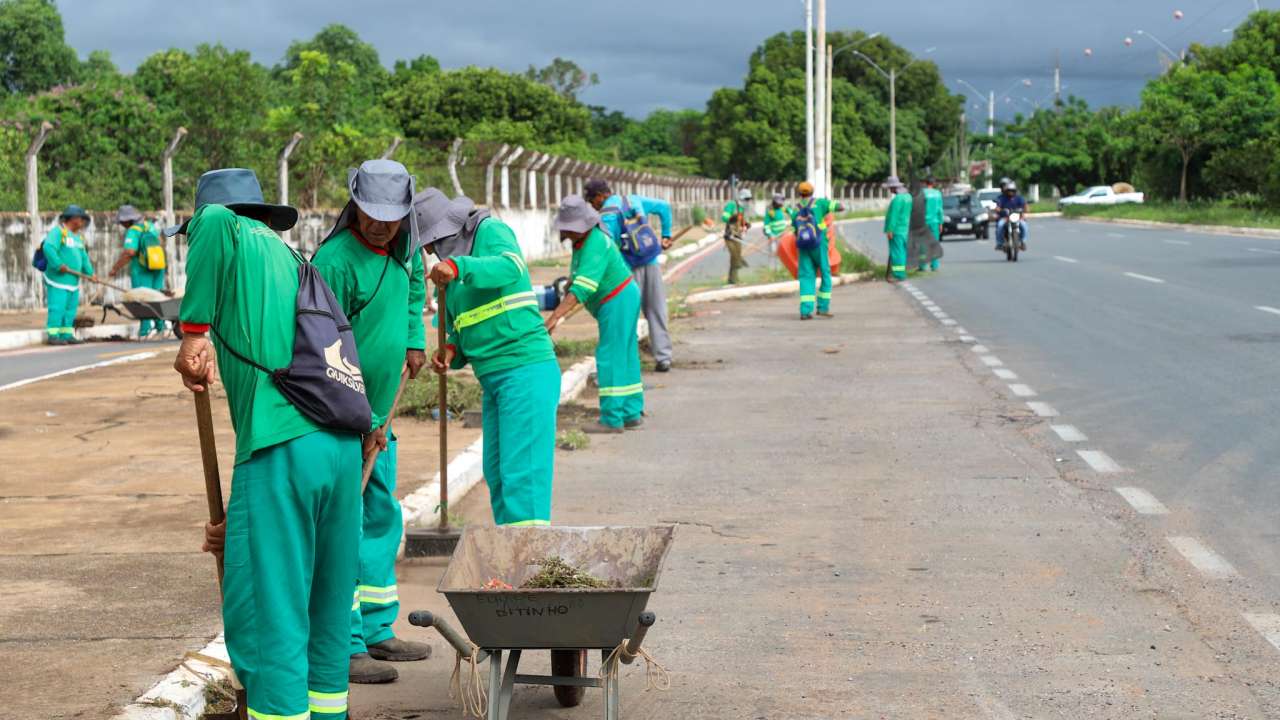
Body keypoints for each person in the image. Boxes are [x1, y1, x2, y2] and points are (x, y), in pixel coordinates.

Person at [174, 168, 361, 720]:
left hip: (283, 448)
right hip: (338, 453)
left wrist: (193, 336)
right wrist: (242, 522)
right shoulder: (292, 259)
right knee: (325, 612)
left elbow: (209, 219)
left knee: (268, 616)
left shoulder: (227, 229)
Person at [311, 159, 431, 685]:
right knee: (344, 531)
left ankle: (380, 629)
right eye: (370, 213)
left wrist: (414, 338)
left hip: (384, 415)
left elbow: (413, 287)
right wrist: (359, 420)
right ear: (352, 204)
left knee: (382, 519)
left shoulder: (405, 247)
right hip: (348, 420)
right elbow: (321, 347)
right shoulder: (334, 261)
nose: (380, 224)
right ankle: (348, 642)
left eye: (391, 215)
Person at [418, 188, 561, 524]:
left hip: (524, 368)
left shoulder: (489, 233)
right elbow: (463, 326)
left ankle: (530, 561)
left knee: (522, 474)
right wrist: (450, 350)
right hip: (493, 377)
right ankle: (511, 551)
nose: (426, 249)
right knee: (497, 472)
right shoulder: (447, 274)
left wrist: (458, 266)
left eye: (428, 241)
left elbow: (510, 268)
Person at [544, 195, 642, 434]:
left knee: (611, 355)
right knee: (625, 353)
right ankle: (630, 411)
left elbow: (583, 288)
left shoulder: (595, 242)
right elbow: (579, 278)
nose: (566, 234)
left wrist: (554, 317)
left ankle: (612, 418)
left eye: (569, 229)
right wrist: (569, 285)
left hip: (617, 300)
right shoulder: (584, 243)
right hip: (621, 298)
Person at [584, 178, 676, 373]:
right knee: (657, 311)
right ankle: (664, 358)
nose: (593, 206)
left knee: (626, 316)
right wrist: (666, 235)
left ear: (600, 196)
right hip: (651, 260)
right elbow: (664, 207)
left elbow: (606, 248)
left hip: (628, 271)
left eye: (592, 201)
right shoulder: (633, 200)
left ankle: (626, 362)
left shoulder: (607, 214)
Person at [108, 205, 168, 337]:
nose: (122, 224)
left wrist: (115, 268)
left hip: (142, 270)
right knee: (157, 297)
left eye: (122, 222)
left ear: (128, 221)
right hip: (158, 267)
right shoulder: (151, 227)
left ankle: (144, 330)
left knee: (143, 299)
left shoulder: (133, 231)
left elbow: (130, 252)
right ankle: (161, 327)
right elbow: (160, 243)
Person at [41, 205, 93, 345]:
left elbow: (84, 258)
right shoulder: (58, 232)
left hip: (73, 282)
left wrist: (91, 274)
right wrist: (58, 264)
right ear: (74, 219)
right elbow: (48, 247)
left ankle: (66, 334)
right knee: (57, 307)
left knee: (70, 309)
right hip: (57, 280)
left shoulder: (78, 238)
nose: (82, 223)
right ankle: (53, 335)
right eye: (81, 219)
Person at [793, 181, 838, 320]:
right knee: (825, 273)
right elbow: (839, 206)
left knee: (806, 276)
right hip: (819, 244)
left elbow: (795, 229)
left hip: (804, 247)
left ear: (799, 194)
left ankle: (805, 311)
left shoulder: (796, 209)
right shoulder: (820, 203)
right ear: (812, 192)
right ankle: (822, 307)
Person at [882, 176, 912, 282]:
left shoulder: (897, 200)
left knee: (896, 252)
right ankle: (901, 272)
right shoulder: (908, 197)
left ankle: (899, 274)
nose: (890, 190)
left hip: (897, 230)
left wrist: (890, 229)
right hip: (905, 229)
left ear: (894, 188)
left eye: (890, 188)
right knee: (902, 252)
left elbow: (893, 216)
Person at [721, 189, 753, 284]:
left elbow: (742, 221)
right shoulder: (731, 205)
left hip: (738, 236)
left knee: (736, 257)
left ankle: (732, 280)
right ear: (741, 198)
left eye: (749, 199)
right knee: (735, 257)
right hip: (730, 236)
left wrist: (746, 224)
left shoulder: (741, 209)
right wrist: (732, 217)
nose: (748, 201)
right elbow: (724, 217)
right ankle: (734, 280)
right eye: (746, 199)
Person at [994, 181, 1029, 252]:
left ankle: (1023, 242)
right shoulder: (1001, 198)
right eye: (1009, 190)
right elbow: (997, 207)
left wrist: (1025, 210)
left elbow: (1025, 206)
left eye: (1012, 191)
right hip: (1005, 218)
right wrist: (999, 210)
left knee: (1024, 225)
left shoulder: (1019, 198)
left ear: (1015, 191)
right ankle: (999, 243)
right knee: (1000, 226)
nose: (1011, 192)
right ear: (1006, 191)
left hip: (1017, 218)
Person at [921, 177, 944, 272]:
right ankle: (934, 265)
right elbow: (940, 210)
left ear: (925, 183)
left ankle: (922, 265)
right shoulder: (937, 194)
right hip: (934, 222)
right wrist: (941, 223)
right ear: (934, 184)